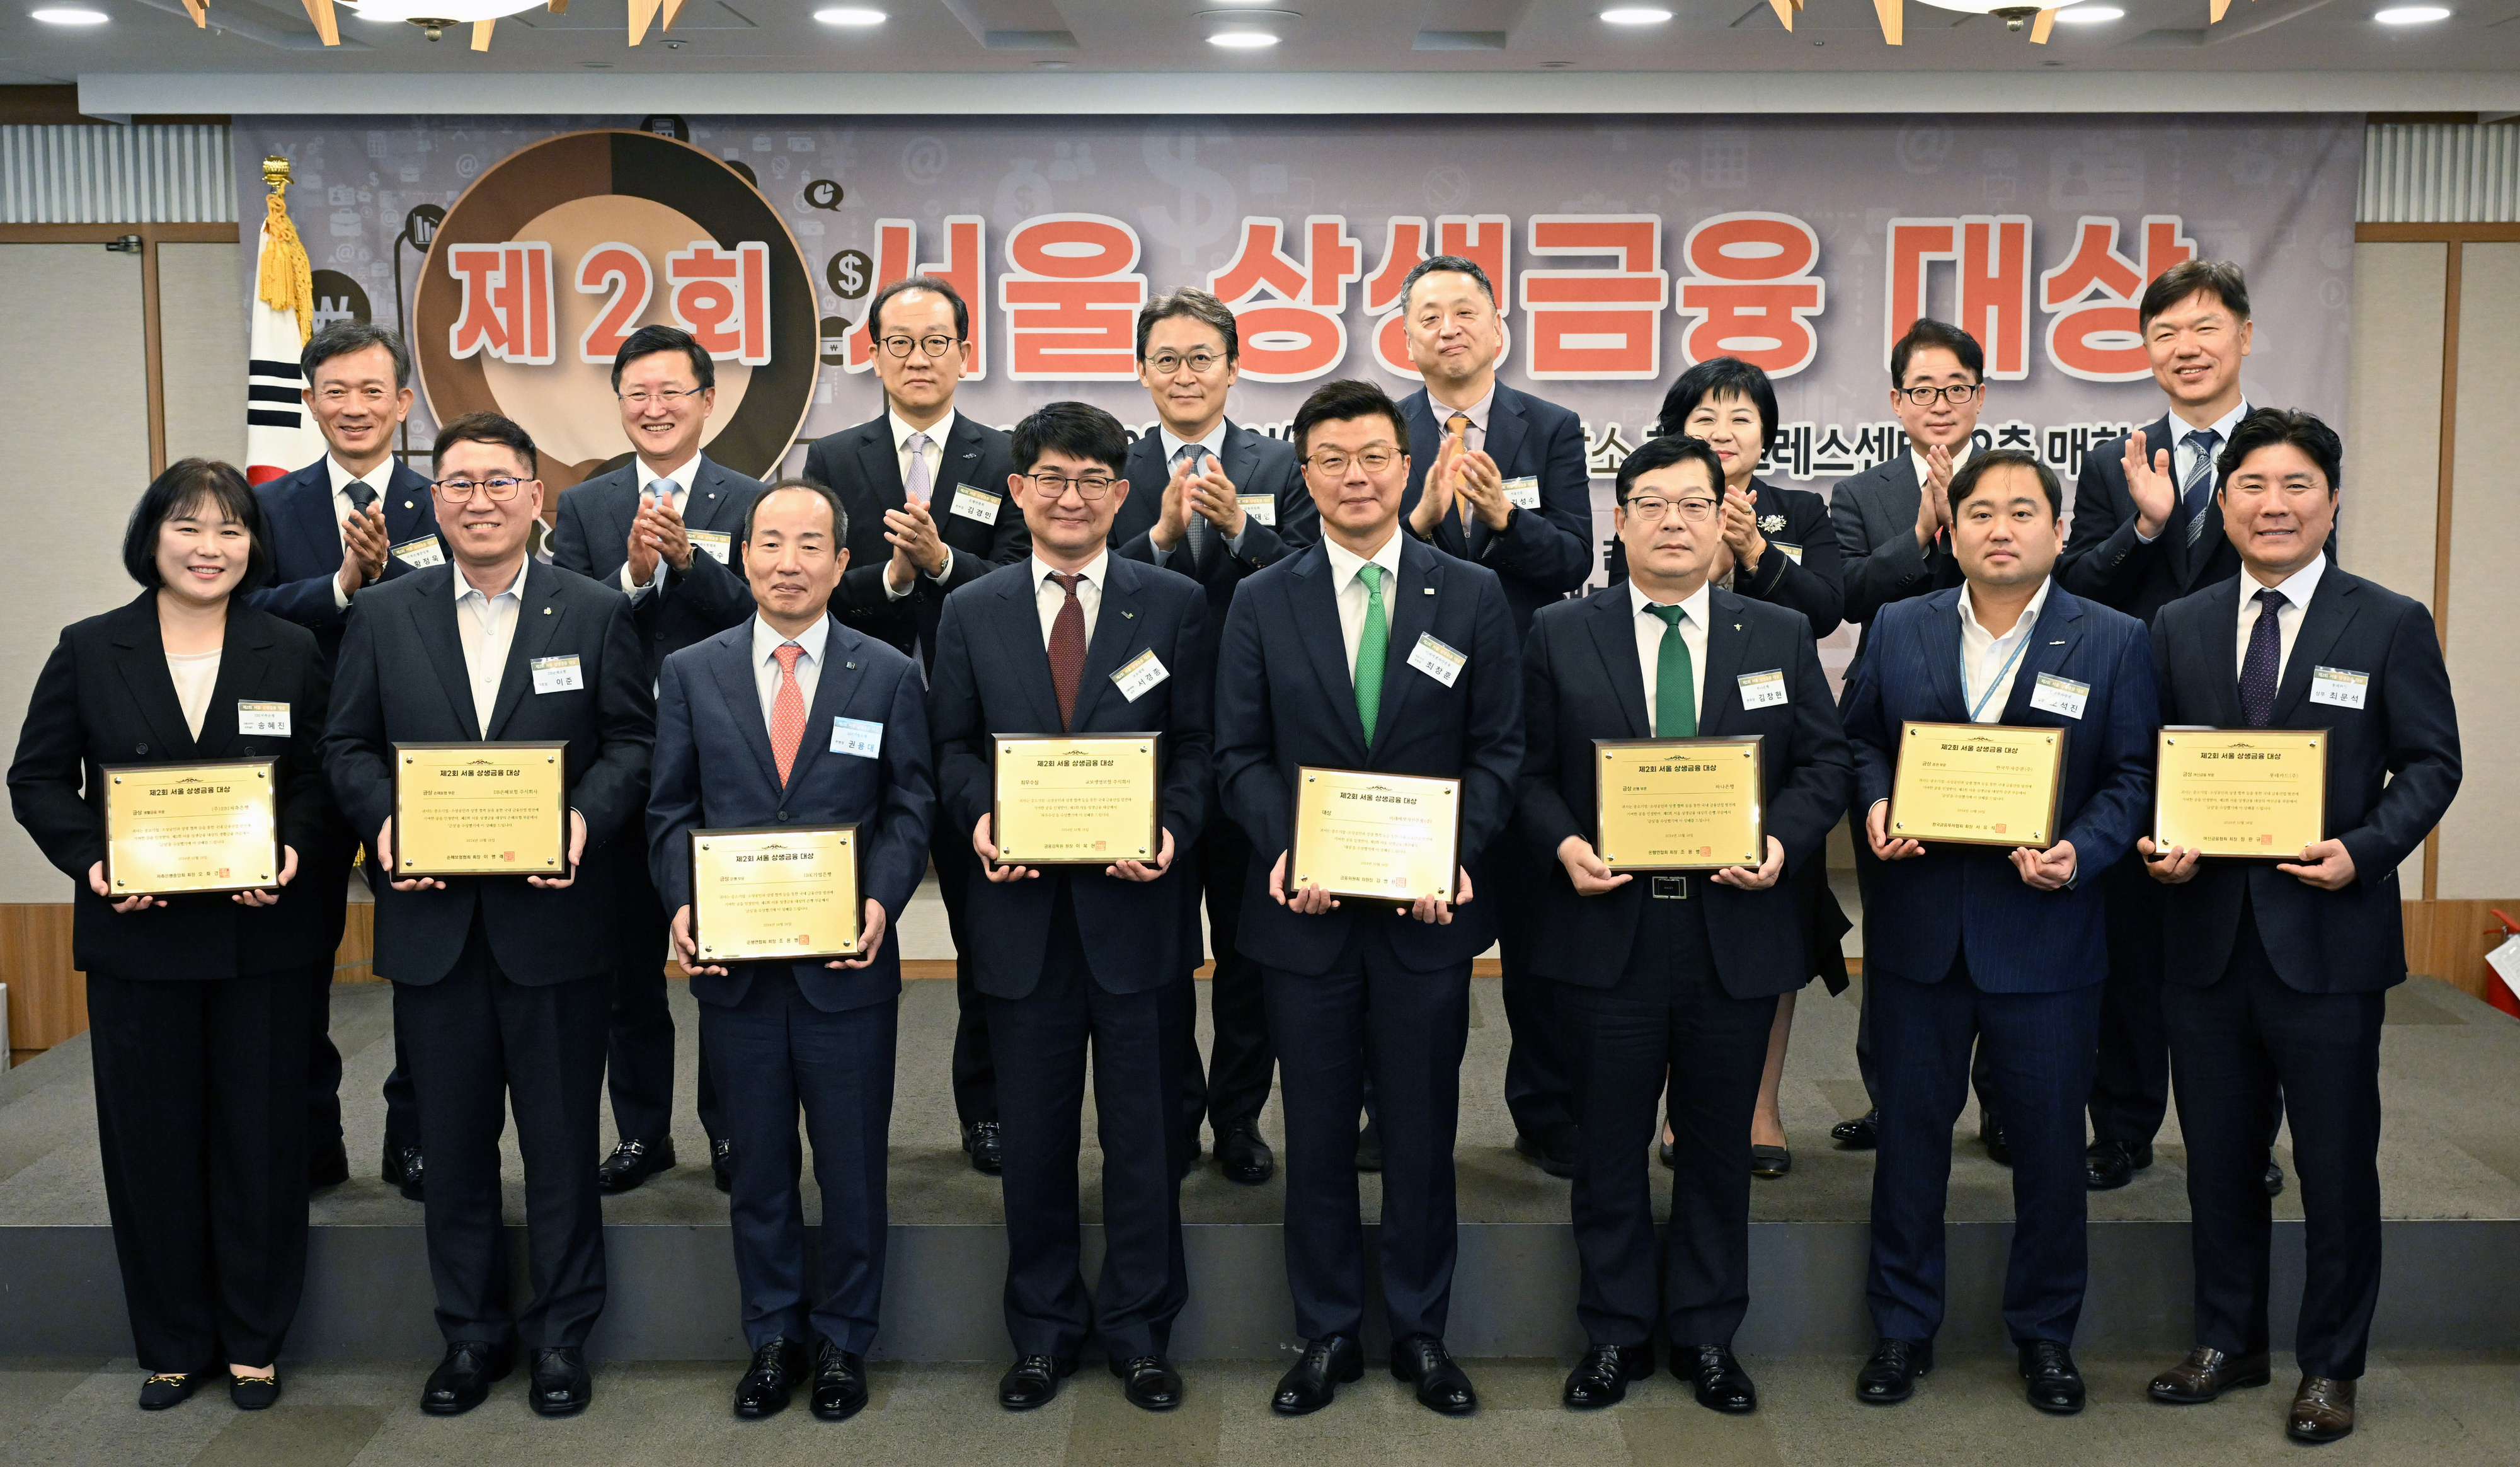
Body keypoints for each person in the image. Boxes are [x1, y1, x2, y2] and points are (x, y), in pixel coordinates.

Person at [319, 412, 653, 1418]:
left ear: (534, 497)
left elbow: (631, 744)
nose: (479, 500)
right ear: (436, 499)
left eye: (499, 482)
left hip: (554, 925)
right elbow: (346, 749)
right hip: (435, 928)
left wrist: (584, 824)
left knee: (559, 1146)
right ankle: (469, 1336)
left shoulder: (594, 612)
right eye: (458, 483)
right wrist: (384, 827)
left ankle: (561, 1338)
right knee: (454, 1150)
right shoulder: (385, 614)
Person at [2139, 410, 2459, 1445]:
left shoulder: (2388, 620)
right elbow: (2152, 767)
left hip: (2327, 936)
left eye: (2298, 487)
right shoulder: (2181, 624)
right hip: (2205, 938)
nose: (2274, 506)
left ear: (2330, 500)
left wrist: (2363, 850)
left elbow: (2432, 764)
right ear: (2222, 502)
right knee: (2219, 1158)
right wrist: (2158, 840)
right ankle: (2227, 1344)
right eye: (2253, 487)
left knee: (2333, 1162)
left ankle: (2332, 1367)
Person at [1517, 435, 1851, 1413]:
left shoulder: (1778, 635)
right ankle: (1615, 1335)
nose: (1673, 522)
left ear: (1723, 521)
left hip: (1731, 932)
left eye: (1693, 506)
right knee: (1610, 1144)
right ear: (1617, 523)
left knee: (1716, 1147)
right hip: (1607, 929)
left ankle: (1708, 1335)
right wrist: (1564, 845)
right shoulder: (1558, 633)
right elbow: (1529, 772)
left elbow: (1822, 766)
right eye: (1651, 504)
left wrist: (1784, 844)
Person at [1215, 378, 1524, 1418]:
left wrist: (1457, 853)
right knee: (1313, 1131)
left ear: (1409, 465)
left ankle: (1423, 1331)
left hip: (1425, 918)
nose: (1357, 476)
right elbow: (1240, 756)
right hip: (1302, 919)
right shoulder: (1263, 599)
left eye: (1375, 457)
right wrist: (1289, 843)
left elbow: (1498, 751)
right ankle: (1328, 1330)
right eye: (1333, 460)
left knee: (1423, 1127)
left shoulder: (1470, 595)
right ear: (1304, 477)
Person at [9, 460, 341, 1411]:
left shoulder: (289, 645)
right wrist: (92, 860)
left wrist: (293, 849)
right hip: (139, 940)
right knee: (151, 1144)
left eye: (232, 530)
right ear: (151, 538)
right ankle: (171, 1339)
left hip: (264, 938)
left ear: (254, 545)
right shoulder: (89, 647)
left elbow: (322, 778)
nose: (211, 548)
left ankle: (253, 1338)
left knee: (263, 1140)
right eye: (190, 528)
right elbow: (36, 779)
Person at [1840, 449, 2155, 1415]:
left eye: (2024, 511)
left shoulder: (2112, 639)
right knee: (1911, 1146)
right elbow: (1856, 739)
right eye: (1981, 512)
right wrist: (1880, 801)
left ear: (2060, 534)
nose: (2001, 528)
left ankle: (2047, 1336)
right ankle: (1901, 1329)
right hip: (1920, 935)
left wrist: (2081, 850)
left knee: (2054, 1149)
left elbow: (2135, 776)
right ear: (1955, 528)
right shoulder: (1900, 625)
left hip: (2048, 935)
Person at [927, 402, 1210, 1412]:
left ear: (1122, 495)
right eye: (1051, 477)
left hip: (1139, 915)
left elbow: (1202, 748)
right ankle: (1042, 1331)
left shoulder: (1172, 604)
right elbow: (951, 750)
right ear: (1017, 491)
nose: (1072, 497)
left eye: (1094, 480)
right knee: (1037, 1143)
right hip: (1022, 918)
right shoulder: (973, 609)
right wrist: (981, 824)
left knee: (1143, 1140)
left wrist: (1172, 830)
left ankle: (1139, 1331)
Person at [646, 478, 932, 1423]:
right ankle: (773, 1334)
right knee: (758, 1168)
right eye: (771, 543)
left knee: (852, 1168)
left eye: (812, 545)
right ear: (743, 555)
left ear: (841, 563)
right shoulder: (693, 671)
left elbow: (908, 805)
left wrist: (884, 898)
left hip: (846, 968)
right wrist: (684, 906)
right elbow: (671, 812)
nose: (788, 562)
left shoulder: (887, 673)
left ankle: (846, 1341)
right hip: (735, 970)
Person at [2060, 260, 2323, 1195]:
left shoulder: (2285, 452)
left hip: (2250, 733)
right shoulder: (2112, 460)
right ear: (2146, 350)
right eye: (2166, 333)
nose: (2187, 348)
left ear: (2244, 336)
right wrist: (2144, 525)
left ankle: (2247, 1142)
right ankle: (2122, 1128)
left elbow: (2314, 581)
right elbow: (2079, 591)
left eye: (2206, 328)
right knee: (2129, 945)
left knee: (2249, 947)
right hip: (2136, 729)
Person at [803, 273, 1029, 1178]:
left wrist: (941, 563)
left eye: (937, 341)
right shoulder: (836, 457)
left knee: (989, 934)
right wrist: (895, 583)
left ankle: (988, 1112)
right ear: (872, 354)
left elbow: (1019, 580)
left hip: (978, 734)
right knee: (854, 922)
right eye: (900, 342)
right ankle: (853, 1122)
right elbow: (818, 587)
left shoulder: (1006, 452)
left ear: (966, 353)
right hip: (869, 729)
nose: (919, 358)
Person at [551, 323, 767, 1197]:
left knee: (727, 965)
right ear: (620, 403)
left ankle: (731, 1132)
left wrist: (691, 564)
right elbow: (562, 624)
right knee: (624, 968)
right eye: (638, 393)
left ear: (707, 401)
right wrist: (636, 576)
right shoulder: (585, 506)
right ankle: (642, 1132)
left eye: (673, 392)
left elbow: (770, 613)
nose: (656, 408)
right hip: (620, 768)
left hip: (725, 769)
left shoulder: (752, 499)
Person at [1389, 254, 1593, 1178]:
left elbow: (1575, 564)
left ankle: (1547, 1112)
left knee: (1542, 934)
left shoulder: (1548, 428)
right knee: (1408, 933)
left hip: (1530, 704)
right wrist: (1421, 521)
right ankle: (1393, 1114)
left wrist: (1508, 520)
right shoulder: (1380, 428)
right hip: (1411, 716)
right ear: (1406, 336)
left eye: (1464, 311)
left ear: (1499, 328)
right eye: (1427, 314)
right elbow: (1348, 563)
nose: (1447, 328)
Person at [1109, 288, 1316, 1187]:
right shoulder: (1105, 469)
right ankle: (1170, 1117)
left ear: (1234, 369)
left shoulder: (1288, 465)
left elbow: (1316, 587)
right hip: (1138, 754)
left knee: (1247, 953)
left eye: (1202, 358)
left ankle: (1237, 1119)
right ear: (1142, 371)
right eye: (1167, 359)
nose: (1184, 375)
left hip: (1249, 750)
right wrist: (1155, 537)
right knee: (1152, 955)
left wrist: (1241, 527)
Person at [242, 320, 442, 1197]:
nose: (354, 408)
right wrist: (339, 586)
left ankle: (415, 1137)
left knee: (424, 965)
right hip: (302, 770)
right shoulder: (270, 504)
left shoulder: (445, 499)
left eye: (373, 391)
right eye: (336, 392)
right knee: (297, 963)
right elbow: (241, 611)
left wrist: (388, 580)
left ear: (404, 401)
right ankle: (312, 1139)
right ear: (310, 401)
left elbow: (462, 609)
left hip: (419, 770)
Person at [1644, 356, 1849, 1178]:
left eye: (1741, 419)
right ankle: (1672, 1105)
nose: (1723, 434)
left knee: (1767, 929)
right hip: (1669, 739)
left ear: (1767, 435)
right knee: (1662, 937)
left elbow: (1826, 606)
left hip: (1770, 747)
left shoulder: (1801, 511)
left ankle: (1762, 1108)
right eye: (1705, 418)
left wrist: (1757, 549)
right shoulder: (1655, 496)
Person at [1825, 318, 1991, 1154]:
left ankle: (2002, 1104)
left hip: (2001, 738)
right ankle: (1892, 1097)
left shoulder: (2010, 483)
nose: (1939, 404)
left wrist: (1969, 521)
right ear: (1896, 401)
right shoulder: (1860, 494)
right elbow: (1851, 593)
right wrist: (1921, 532)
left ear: (1979, 396)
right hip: (1893, 727)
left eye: (1955, 388)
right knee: (1896, 920)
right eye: (1922, 390)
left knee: (2005, 919)